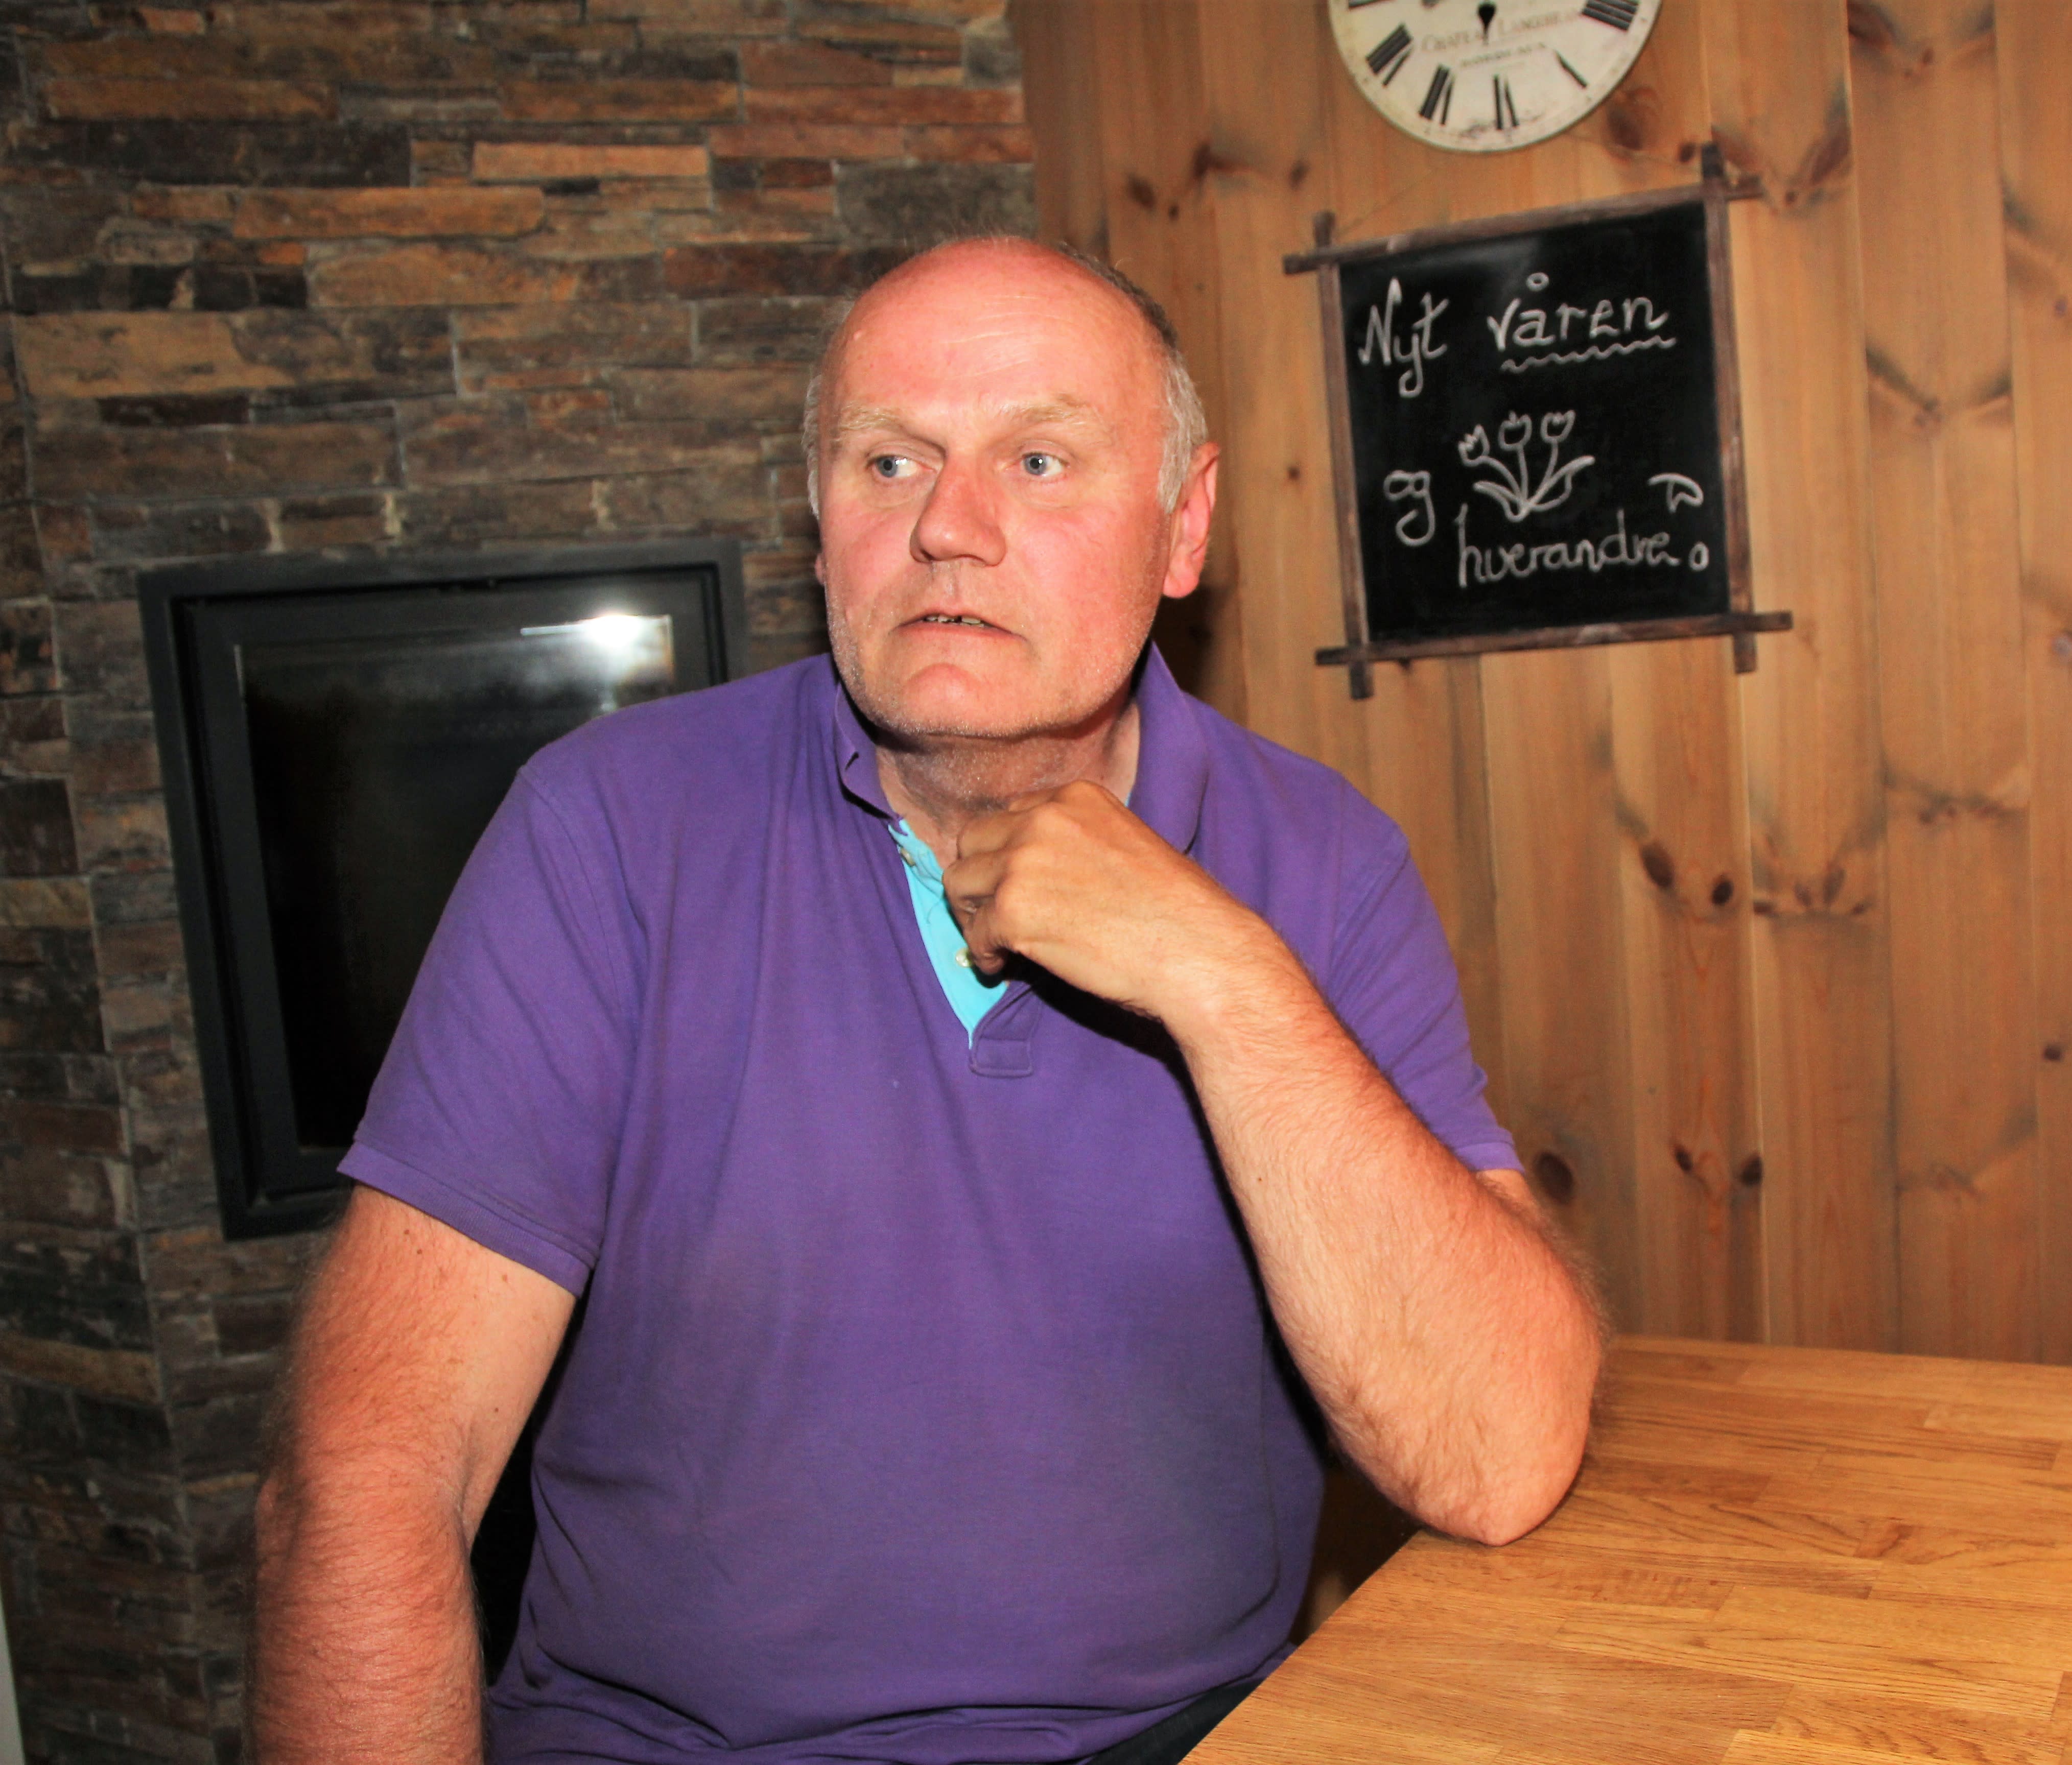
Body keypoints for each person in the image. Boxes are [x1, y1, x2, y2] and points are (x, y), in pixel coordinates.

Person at [250, 236, 1602, 1764]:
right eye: (889, 461)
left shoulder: (1327, 860)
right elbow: (367, 1476)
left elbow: (1495, 1456)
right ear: (819, 526)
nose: (948, 527)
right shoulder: (606, 830)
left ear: (1184, 524)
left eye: (1039, 460)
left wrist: (1220, 977)